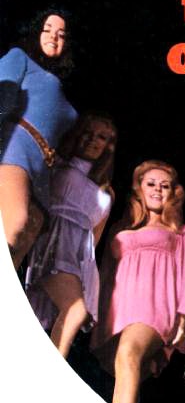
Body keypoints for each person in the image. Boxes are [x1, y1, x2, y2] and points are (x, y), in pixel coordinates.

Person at [92, 160, 185, 403]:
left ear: (173, 192)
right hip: (119, 310)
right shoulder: (121, 228)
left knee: (128, 353)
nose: (157, 190)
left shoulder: (181, 233)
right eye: (151, 184)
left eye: (165, 186)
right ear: (139, 189)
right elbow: (105, 273)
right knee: (127, 369)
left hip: (155, 308)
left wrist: (183, 318)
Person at [25, 113, 117, 358]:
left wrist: (87, 276)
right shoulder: (56, 164)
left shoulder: (106, 191)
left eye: (101, 137)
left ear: (108, 146)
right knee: (75, 310)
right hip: (53, 245)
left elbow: (95, 237)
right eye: (88, 132)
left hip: (78, 259)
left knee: (54, 318)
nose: (92, 140)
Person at [0, 9, 78, 267]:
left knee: (19, 250)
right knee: (14, 225)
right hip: (15, 150)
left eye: (61, 34)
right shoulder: (19, 57)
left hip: (44, 172)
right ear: (34, 33)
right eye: (47, 29)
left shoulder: (62, 87)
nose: (54, 37)